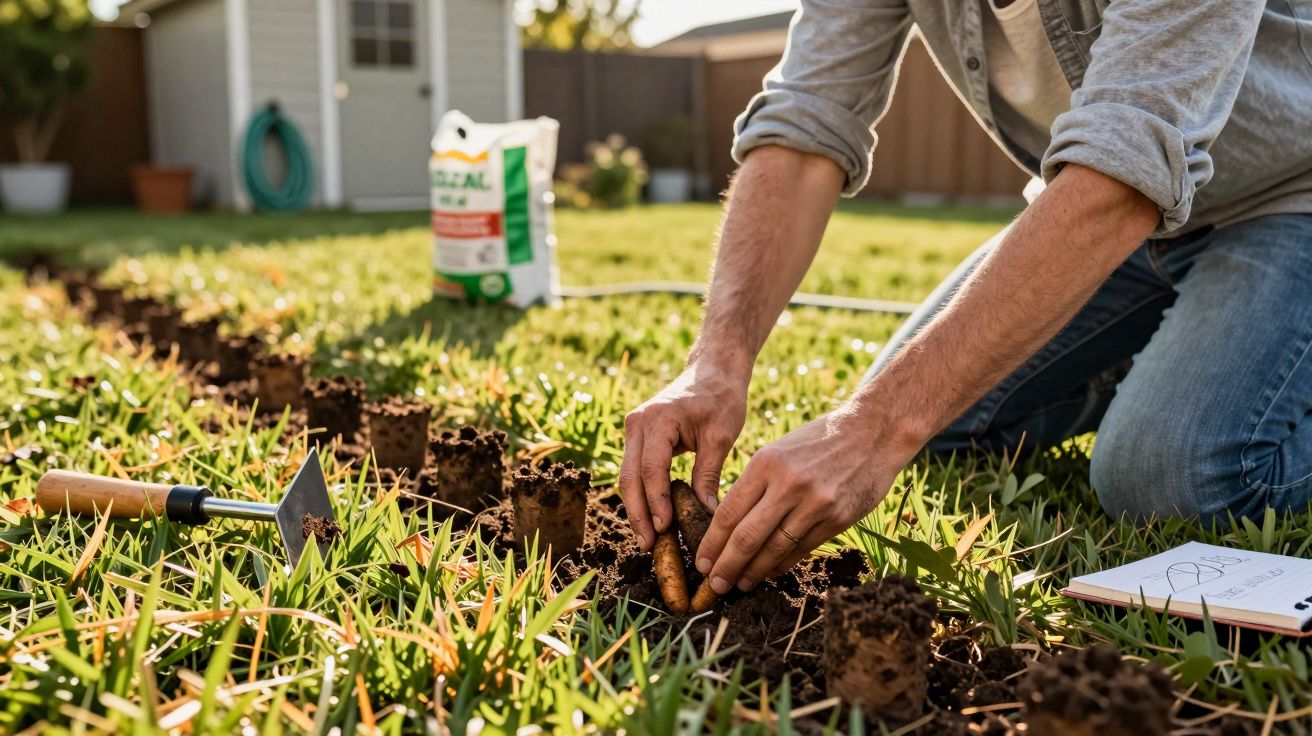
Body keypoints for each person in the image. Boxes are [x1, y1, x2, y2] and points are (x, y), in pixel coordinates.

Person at [619, 0, 1312, 598]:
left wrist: (874, 427)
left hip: (1287, 198)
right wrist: (717, 360)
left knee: (1170, 480)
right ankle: (1208, 342)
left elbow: (1126, 164)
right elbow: (805, 128)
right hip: (1125, 216)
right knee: (939, 433)